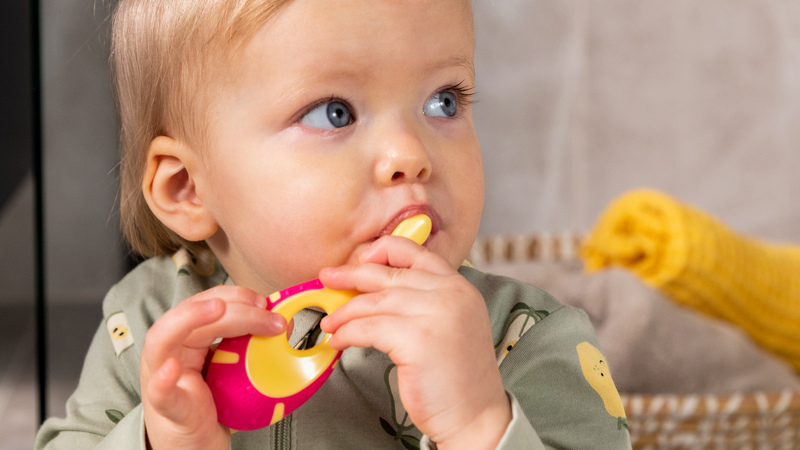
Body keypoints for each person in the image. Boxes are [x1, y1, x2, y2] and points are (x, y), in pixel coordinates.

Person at [35, 0, 632, 448]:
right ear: (188, 187)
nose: (410, 154)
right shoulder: (150, 326)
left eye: (443, 101)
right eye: (334, 113)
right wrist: (158, 437)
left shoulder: (520, 338)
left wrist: (480, 422)